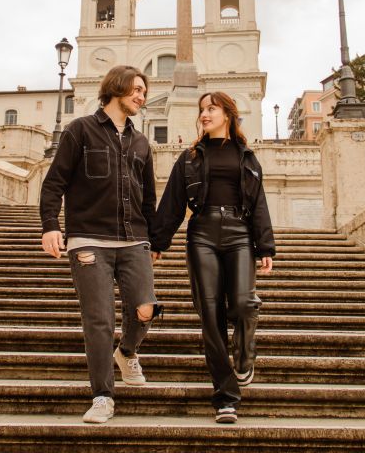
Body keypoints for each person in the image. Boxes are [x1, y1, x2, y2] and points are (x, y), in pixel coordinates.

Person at [40, 65, 160, 424]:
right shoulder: (80, 130)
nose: (141, 96)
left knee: (146, 308)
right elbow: (54, 183)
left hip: (134, 239)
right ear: (116, 88)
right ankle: (103, 396)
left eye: (143, 91)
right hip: (89, 239)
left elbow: (149, 197)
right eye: (136, 89)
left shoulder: (141, 142)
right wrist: (50, 226)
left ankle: (126, 352)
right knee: (99, 320)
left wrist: (152, 237)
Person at [153, 91, 275, 424]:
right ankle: (225, 397)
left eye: (211, 108)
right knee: (210, 314)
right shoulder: (190, 157)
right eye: (202, 109)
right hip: (202, 232)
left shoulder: (247, 156)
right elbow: (173, 202)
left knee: (244, 303)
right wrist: (158, 241)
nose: (204, 114)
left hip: (240, 233)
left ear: (228, 114)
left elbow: (259, 202)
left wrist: (265, 246)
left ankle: (245, 356)